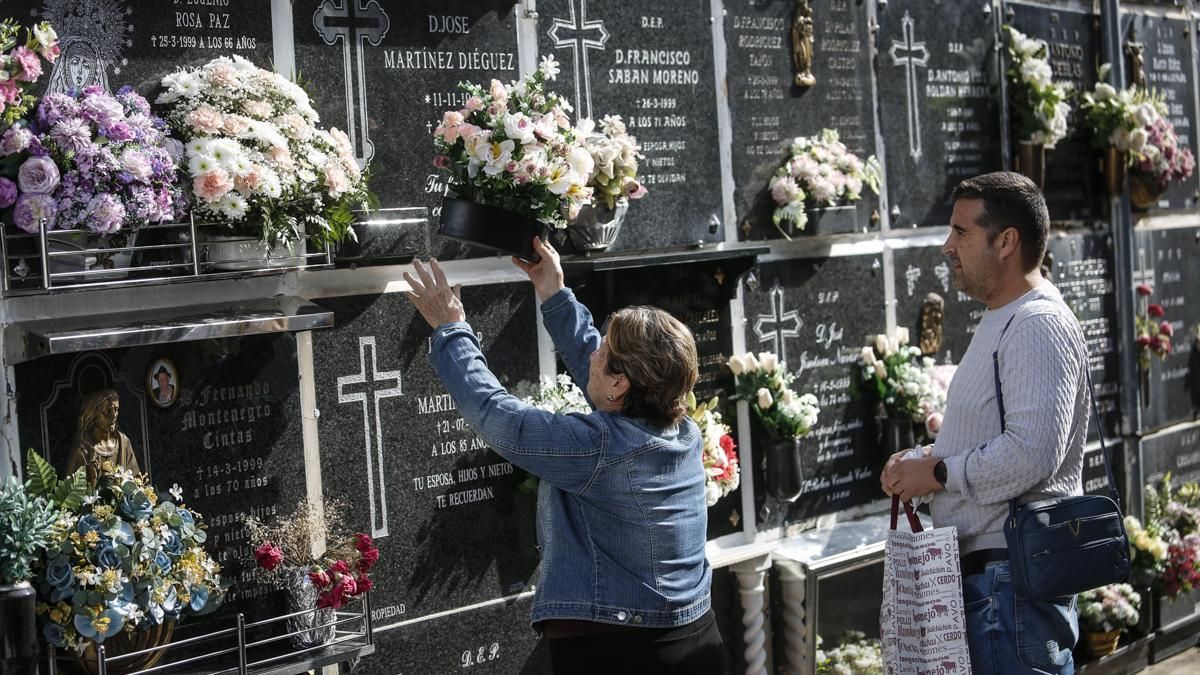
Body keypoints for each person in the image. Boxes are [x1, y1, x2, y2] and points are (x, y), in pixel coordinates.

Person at [404, 237, 722, 674]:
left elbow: (497, 415)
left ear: (621, 384)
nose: (594, 353)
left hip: (626, 653)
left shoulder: (601, 447)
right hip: (695, 636)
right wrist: (554, 292)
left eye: (603, 351)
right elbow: (601, 369)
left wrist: (452, 328)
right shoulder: (679, 429)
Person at [880, 172, 1087, 674]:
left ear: (1006, 241)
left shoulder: (1037, 324)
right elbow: (999, 438)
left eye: (961, 232)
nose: (947, 246)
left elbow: (1032, 452)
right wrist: (922, 463)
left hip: (1010, 588)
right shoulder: (1007, 316)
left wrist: (938, 473)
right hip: (997, 585)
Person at [64, 389, 141, 486]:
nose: (114, 416)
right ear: (93, 414)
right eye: (107, 411)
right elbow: (70, 490)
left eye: (116, 410)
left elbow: (137, 482)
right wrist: (92, 481)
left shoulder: (123, 442)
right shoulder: (82, 450)